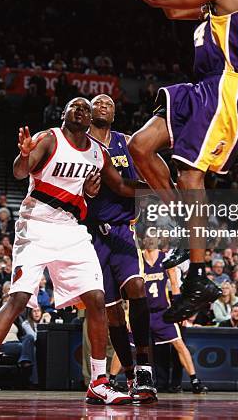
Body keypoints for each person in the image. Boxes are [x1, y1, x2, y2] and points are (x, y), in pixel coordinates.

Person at [88, 0, 238, 323]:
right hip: (202, 86)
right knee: (140, 146)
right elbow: (169, 7)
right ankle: (185, 225)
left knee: (189, 173)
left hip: (225, 86)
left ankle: (199, 278)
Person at [0, 97, 144, 405]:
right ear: (63, 114)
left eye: (86, 108)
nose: (81, 110)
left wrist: (159, 189)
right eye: (75, 106)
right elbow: (20, 173)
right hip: (37, 224)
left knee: (97, 299)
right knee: (18, 299)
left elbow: (122, 187)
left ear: (90, 121)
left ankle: (99, 381)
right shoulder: (48, 138)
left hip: (72, 228)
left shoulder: (99, 153)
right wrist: (23, 156)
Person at [86, 94, 156, 402]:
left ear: (115, 113)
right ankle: (128, 375)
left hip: (123, 231)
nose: (102, 104)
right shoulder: (79, 145)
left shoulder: (127, 142)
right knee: (111, 314)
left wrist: (163, 188)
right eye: (96, 101)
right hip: (90, 237)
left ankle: (145, 372)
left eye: (109, 102)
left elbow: (146, 176)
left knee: (138, 288)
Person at [142, 241, 208, 394]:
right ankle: (150, 382)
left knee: (179, 345)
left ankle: (192, 381)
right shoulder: (139, 259)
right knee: (147, 350)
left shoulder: (169, 258)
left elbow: (176, 285)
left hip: (165, 310)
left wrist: (179, 310)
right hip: (144, 311)